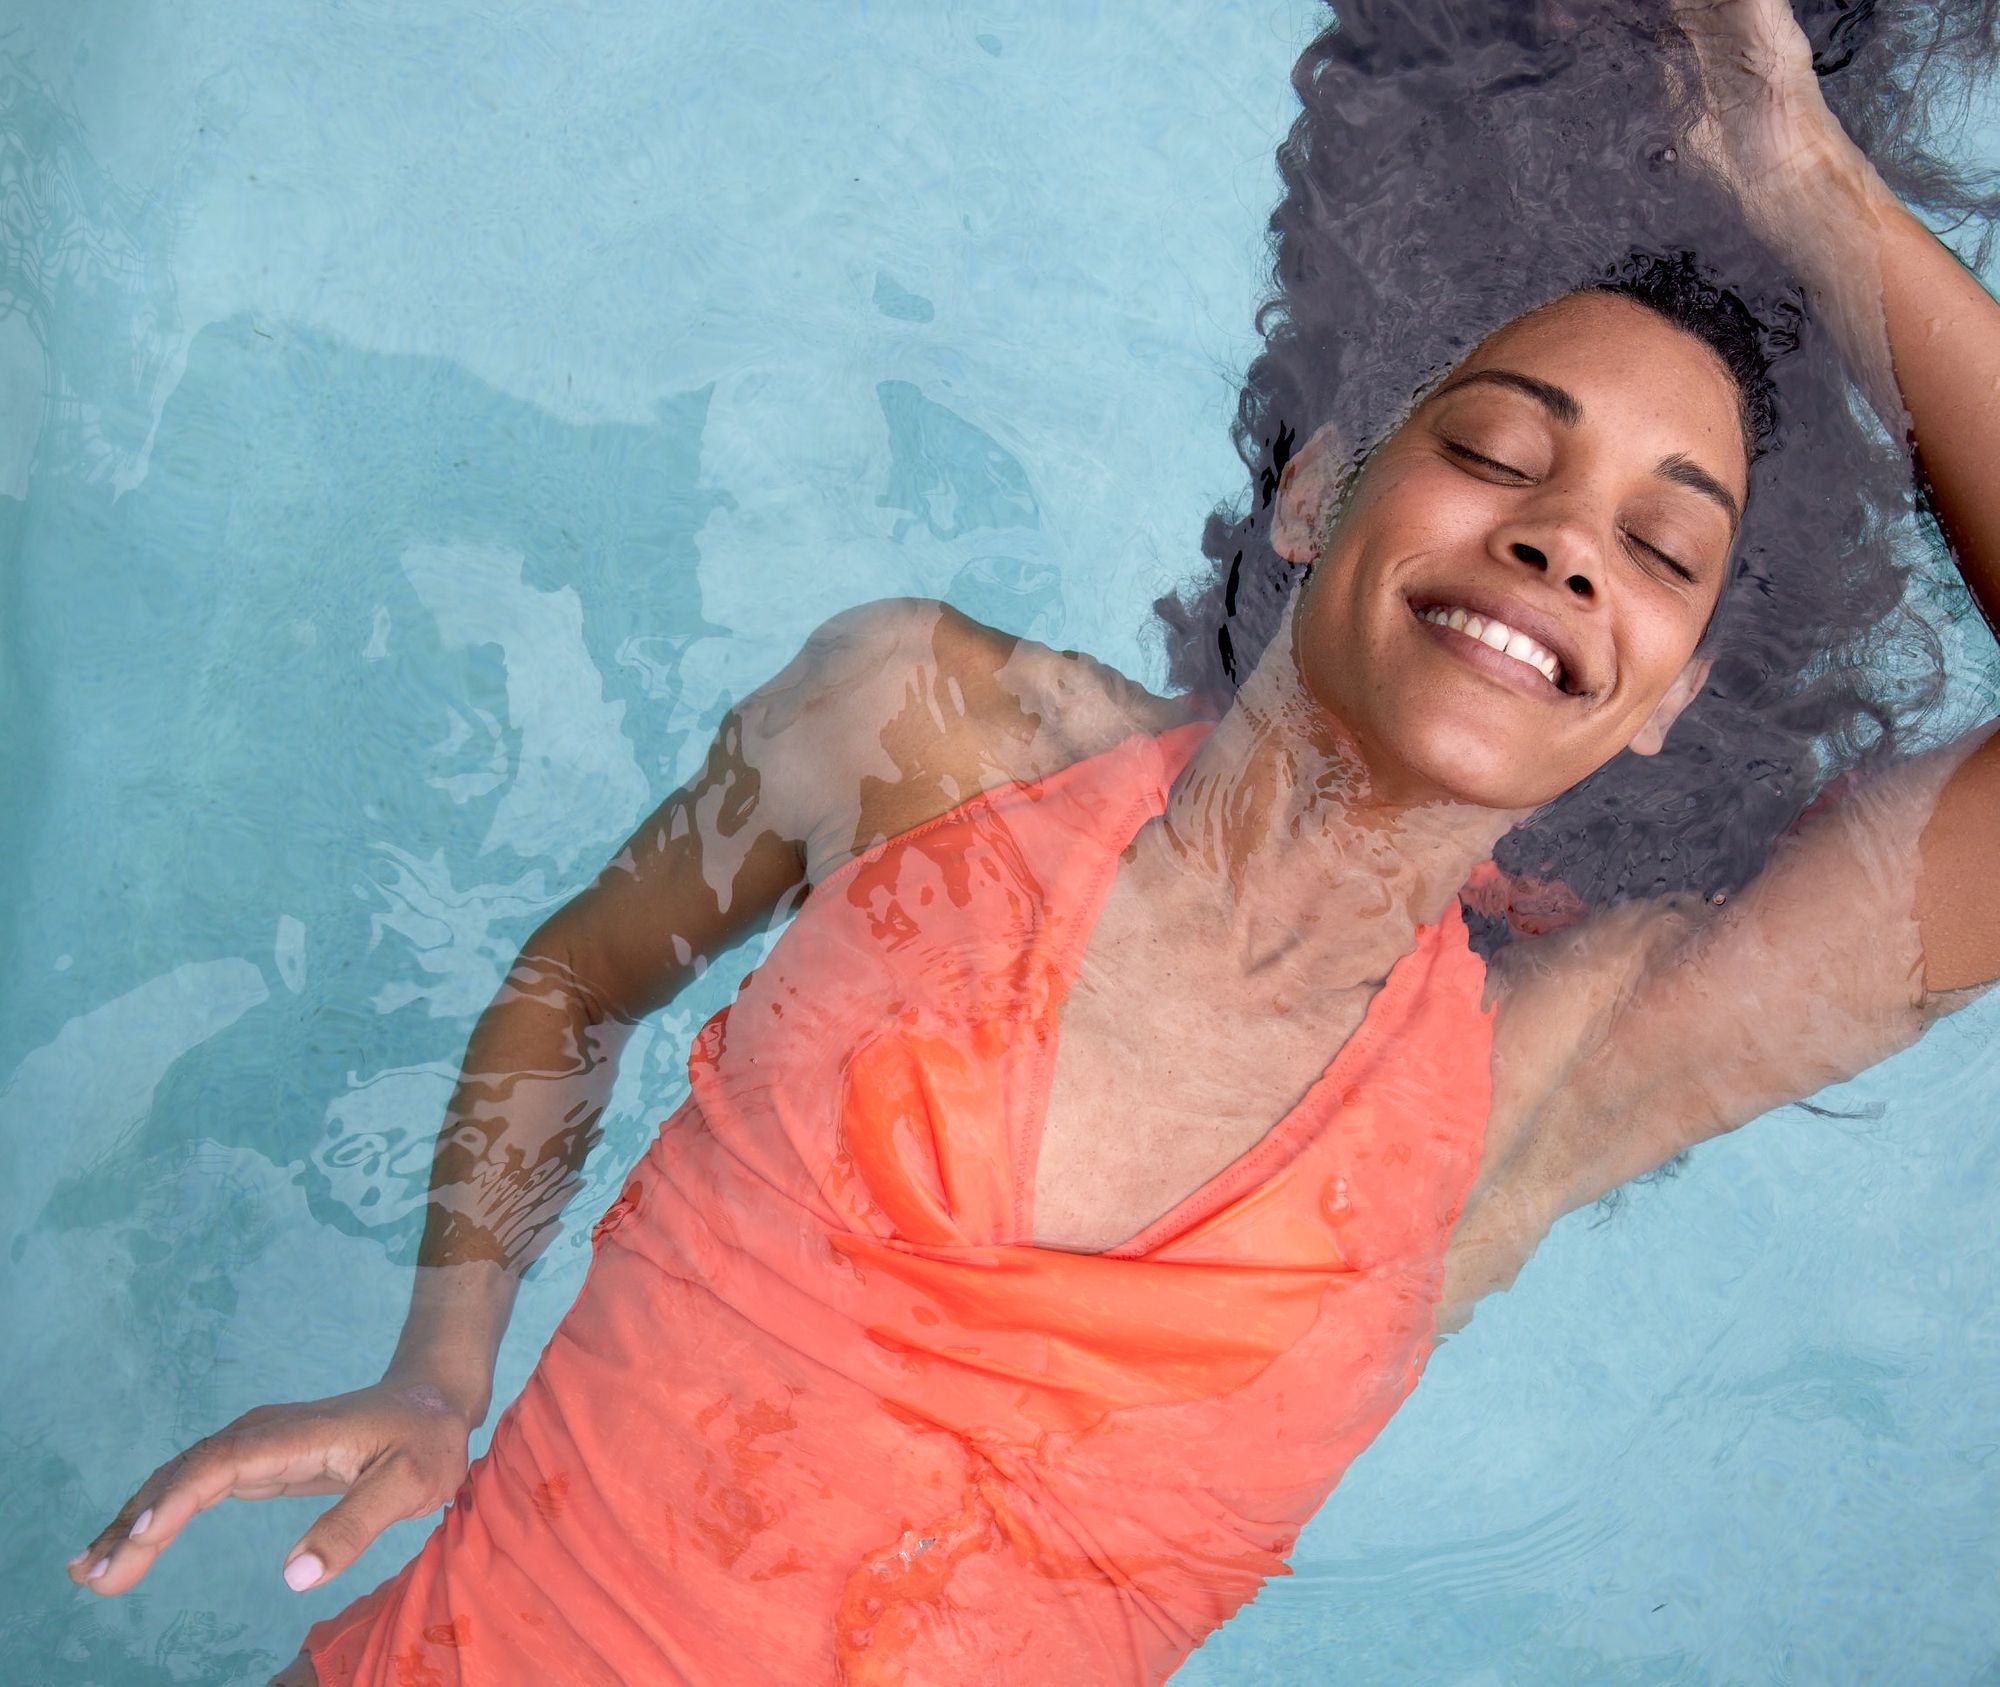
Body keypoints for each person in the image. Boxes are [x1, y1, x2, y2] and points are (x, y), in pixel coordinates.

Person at [68, 1, 2000, 1681]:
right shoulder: (925, 731)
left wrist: (1807, 184)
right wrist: (440, 1356)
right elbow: (582, 976)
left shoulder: (1537, 1086)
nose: (1566, 539)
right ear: (1323, 490)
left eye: (1660, 550)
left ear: (1663, 693)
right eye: (1497, 450)